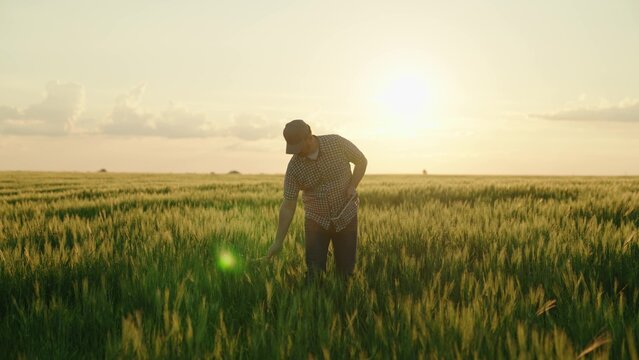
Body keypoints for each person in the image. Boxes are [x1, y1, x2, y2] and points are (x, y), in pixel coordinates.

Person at [266, 119, 367, 278]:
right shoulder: (294, 168)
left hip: (346, 217)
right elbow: (288, 204)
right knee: (314, 273)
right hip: (316, 222)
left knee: (346, 272)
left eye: (298, 147)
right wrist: (278, 241)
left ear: (309, 137)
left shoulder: (336, 143)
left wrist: (352, 185)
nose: (296, 152)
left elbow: (361, 161)